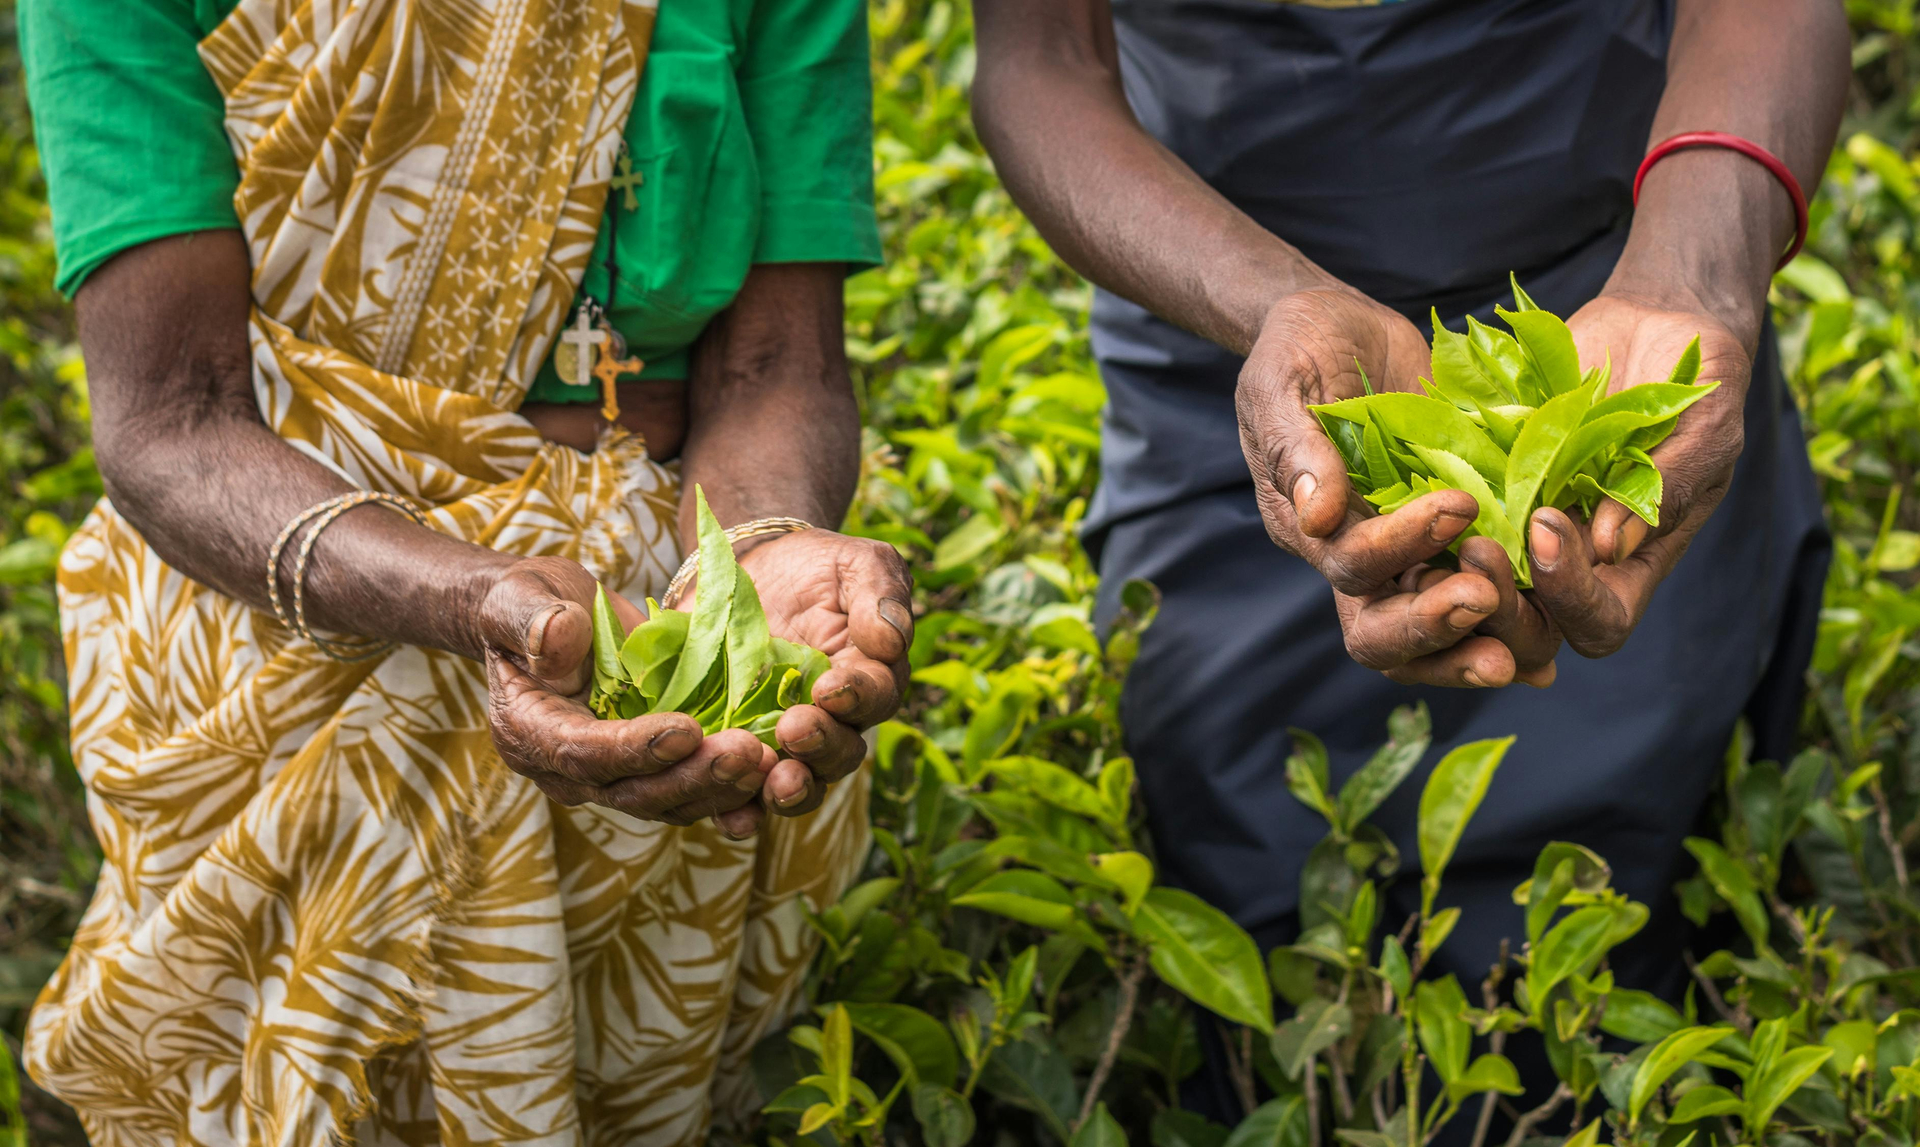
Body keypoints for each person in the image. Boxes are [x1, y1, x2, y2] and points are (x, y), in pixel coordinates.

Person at [19, 0, 909, 1143]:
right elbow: (174, 421)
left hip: (660, 612)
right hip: (285, 614)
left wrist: (768, 549)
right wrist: (472, 595)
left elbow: (779, 365)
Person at [972, 0, 1847, 1122]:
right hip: (1230, 326)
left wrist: (1694, 278)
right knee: (1258, 872)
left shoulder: (1658, 286)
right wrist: (1277, 301)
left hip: (1619, 296)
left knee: (1633, 879)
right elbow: (1039, 61)